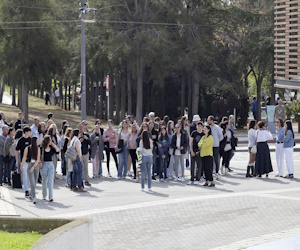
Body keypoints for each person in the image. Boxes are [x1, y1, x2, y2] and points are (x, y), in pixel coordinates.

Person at [21, 136, 40, 204]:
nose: (38, 142)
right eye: (37, 140)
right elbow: (24, 157)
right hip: (29, 165)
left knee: (34, 182)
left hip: (36, 166)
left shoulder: (38, 149)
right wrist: (21, 165)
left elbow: (38, 159)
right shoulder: (27, 148)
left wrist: (34, 167)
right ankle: (34, 197)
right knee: (32, 182)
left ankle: (31, 194)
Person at [40, 135, 59, 201]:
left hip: (51, 164)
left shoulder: (52, 148)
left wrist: (54, 145)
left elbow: (57, 151)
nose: (51, 141)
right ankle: (44, 195)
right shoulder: (41, 148)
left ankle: (51, 196)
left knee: (51, 181)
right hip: (44, 164)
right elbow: (39, 156)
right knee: (44, 180)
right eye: (50, 140)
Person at [15, 126, 31, 198]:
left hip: (31, 161)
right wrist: (17, 161)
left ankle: (30, 189)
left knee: (30, 176)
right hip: (23, 161)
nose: (30, 133)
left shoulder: (31, 140)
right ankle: (26, 190)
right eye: (29, 131)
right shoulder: (20, 140)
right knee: (25, 175)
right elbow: (16, 150)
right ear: (26, 132)